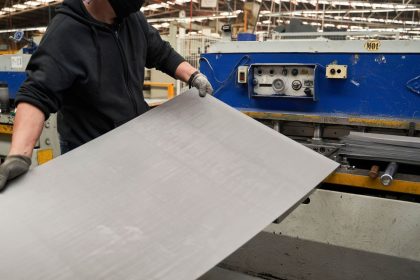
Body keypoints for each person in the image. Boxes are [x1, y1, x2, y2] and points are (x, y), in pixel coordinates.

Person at [0, 0, 213, 191]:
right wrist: (19, 155)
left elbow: (161, 53)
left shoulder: (132, 20)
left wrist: (193, 76)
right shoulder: (66, 33)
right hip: (88, 153)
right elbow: (37, 93)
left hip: (133, 140)